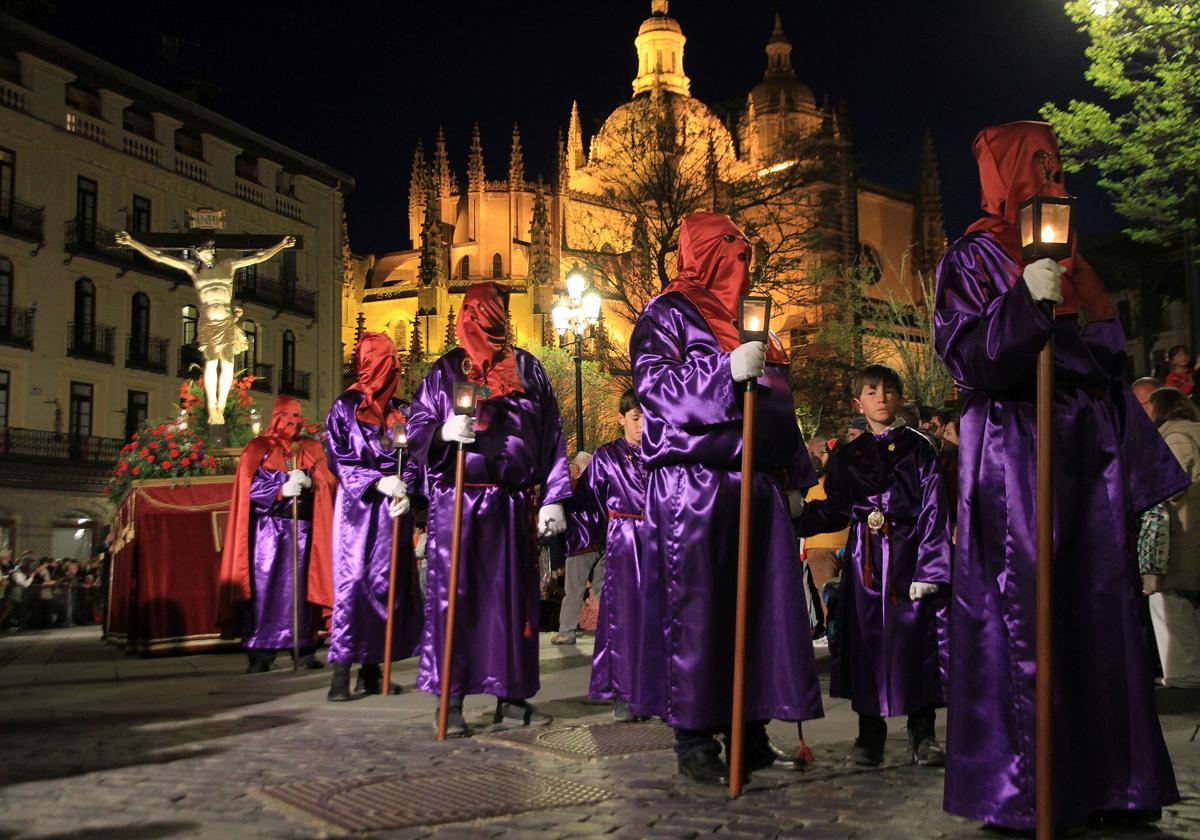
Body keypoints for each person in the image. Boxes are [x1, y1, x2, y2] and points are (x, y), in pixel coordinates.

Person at [933, 121, 1188, 831]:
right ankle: (1023, 786)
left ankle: (1113, 779)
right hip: (1019, 449)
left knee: (1100, 613)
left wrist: (1137, 470)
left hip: (1088, 454)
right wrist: (1022, 305)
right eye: (1039, 165)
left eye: (1058, 164)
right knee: (1028, 608)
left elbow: (1108, 367)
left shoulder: (1080, 263)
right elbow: (965, 355)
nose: (1055, 178)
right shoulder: (974, 256)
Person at [630, 211, 823, 785]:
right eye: (730, 248)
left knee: (759, 609)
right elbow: (656, 389)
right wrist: (721, 374)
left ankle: (753, 729)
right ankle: (694, 737)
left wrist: (792, 476)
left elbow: (779, 404)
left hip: (757, 484)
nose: (743, 258)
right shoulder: (668, 314)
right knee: (700, 611)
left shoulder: (755, 320)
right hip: (697, 486)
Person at [406, 281, 572, 736]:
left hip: (512, 504)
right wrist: (441, 433)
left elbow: (552, 432)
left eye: (492, 311)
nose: (484, 320)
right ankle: (453, 697)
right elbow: (416, 424)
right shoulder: (443, 371)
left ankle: (512, 695)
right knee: (453, 598)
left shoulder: (529, 370)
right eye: (475, 312)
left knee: (513, 601)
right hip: (456, 500)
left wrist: (554, 495)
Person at [797, 364, 950, 768]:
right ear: (858, 402)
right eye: (870, 391)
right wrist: (796, 515)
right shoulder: (849, 456)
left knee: (917, 643)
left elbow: (935, 509)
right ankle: (870, 735)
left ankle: (923, 733)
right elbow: (836, 509)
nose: (880, 397)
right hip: (866, 559)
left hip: (908, 556)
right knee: (866, 643)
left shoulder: (920, 449)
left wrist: (930, 569)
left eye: (887, 390)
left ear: (900, 399)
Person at [324, 332, 423, 701]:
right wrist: (375, 482)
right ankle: (340, 677)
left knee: (386, 587)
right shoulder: (346, 407)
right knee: (355, 584)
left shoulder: (398, 413)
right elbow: (339, 456)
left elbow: (411, 459)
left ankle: (370, 670)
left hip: (391, 515)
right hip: (359, 513)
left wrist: (406, 490)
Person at [116, 230, 295, 432]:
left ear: (212, 250)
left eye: (206, 250)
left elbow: (258, 257)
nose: (203, 254)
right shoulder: (194, 270)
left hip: (225, 322)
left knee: (227, 363)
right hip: (208, 324)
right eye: (199, 251)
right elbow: (160, 257)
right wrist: (132, 242)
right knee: (211, 363)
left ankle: (221, 405)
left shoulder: (228, 265)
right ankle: (212, 407)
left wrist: (281, 245)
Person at [218, 396, 335, 673]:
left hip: (304, 532)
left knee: (304, 591)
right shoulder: (258, 448)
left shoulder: (311, 447)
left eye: (297, 416)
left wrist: (312, 481)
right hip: (267, 533)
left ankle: (305, 647)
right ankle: (261, 651)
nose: (292, 422)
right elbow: (248, 488)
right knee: (266, 591)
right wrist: (281, 488)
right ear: (276, 417)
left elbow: (329, 481)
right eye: (287, 416)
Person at [563, 389, 651, 722]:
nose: (642, 425)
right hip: (626, 544)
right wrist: (564, 522)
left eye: (647, 417)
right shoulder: (607, 457)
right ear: (621, 418)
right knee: (623, 619)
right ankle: (625, 693)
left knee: (661, 616)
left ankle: (659, 691)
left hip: (659, 541)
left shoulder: (664, 454)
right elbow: (588, 505)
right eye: (636, 418)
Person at [1144, 388, 1200, 688]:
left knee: (1167, 599)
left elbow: (1172, 484)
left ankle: (1183, 672)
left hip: (1179, 533)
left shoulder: (1174, 436)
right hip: (1191, 529)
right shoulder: (1195, 430)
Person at [553, 451, 604, 646]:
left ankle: (566, 631)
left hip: (580, 546)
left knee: (573, 590)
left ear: (575, 469)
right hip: (602, 544)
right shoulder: (599, 487)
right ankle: (616, 626)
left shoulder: (570, 490)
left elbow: (559, 521)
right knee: (602, 588)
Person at [802, 435, 848, 635]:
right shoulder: (844, 480)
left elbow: (806, 513)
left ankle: (835, 635)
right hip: (847, 542)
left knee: (827, 596)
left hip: (819, 547)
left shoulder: (816, 484)